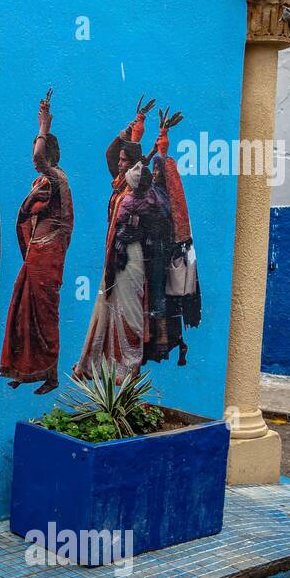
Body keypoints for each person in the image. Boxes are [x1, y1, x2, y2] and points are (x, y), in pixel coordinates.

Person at [72, 98, 171, 382]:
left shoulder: (143, 191)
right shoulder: (120, 186)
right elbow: (109, 153)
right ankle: (94, 365)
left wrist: (134, 232)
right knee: (107, 308)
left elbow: (157, 218)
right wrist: (130, 130)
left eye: (124, 161)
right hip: (114, 257)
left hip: (132, 259)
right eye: (119, 161)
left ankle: (127, 367)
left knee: (128, 312)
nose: (118, 164)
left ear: (133, 166)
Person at [0, 89, 73, 394]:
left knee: (44, 318)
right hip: (35, 257)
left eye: (40, 148)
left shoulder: (57, 178)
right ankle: (25, 369)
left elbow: (38, 160)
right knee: (21, 312)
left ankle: (51, 376)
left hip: (48, 260)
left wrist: (44, 126)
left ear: (50, 154)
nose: (35, 157)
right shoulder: (42, 182)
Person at [146, 107, 201, 366]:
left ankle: (167, 343)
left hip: (167, 252)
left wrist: (163, 154)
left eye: (158, 171)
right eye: (153, 171)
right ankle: (166, 342)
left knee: (165, 298)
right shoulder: (153, 193)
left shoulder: (167, 197)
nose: (155, 174)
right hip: (158, 251)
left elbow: (170, 178)